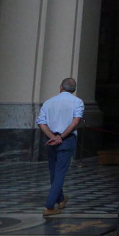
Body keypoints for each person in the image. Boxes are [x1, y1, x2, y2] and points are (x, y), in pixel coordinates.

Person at [37, 77, 84, 217]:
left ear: (61, 87)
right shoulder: (78, 102)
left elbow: (41, 122)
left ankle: (61, 198)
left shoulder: (48, 102)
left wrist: (52, 137)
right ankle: (49, 206)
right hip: (66, 140)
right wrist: (61, 137)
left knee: (53, 171)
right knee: (60, 173)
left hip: (51, 140)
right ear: (73, 90)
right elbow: (75, 122)